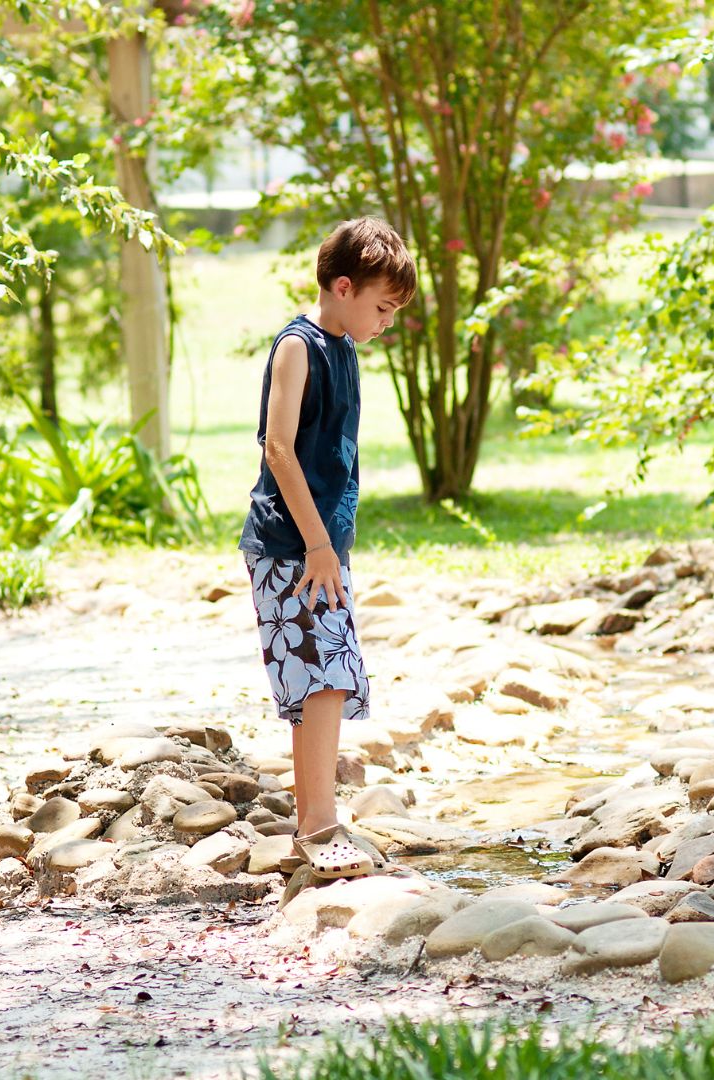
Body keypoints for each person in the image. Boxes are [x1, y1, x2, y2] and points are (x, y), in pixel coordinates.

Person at [237, 217, 415, 880]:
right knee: (326, 679)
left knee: (322, 679)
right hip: (289, 545)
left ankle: (314, 822)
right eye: (382, 307)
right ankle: (319, 827)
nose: (387, 322)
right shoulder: (299, 347)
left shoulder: (344, 348)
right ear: (342, 286)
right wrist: (316, 544)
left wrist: (332, 547)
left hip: (319, 549)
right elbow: (279, 450)